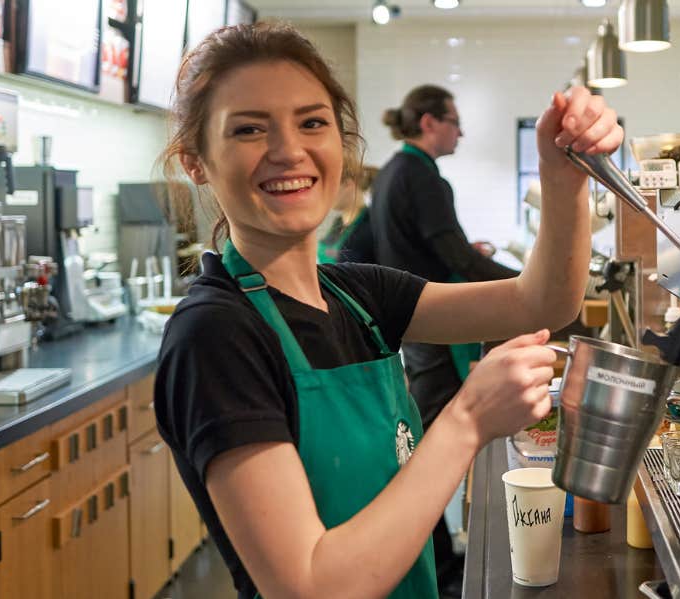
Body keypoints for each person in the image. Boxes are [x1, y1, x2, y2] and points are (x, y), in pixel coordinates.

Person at [153, 22, 622, 599]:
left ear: (340, 141)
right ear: (195, 161)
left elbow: (541, 300)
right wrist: (468, 420)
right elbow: (310, 585)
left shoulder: (357, 295)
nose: (288, 150)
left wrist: (563, 176)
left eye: (312, 122)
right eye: (249, 129)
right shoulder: (215, 335)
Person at [370, 86, 526, 592]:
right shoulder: (422, 176)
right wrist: (524, 287)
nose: (461, 131)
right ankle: (437, 565)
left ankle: (436, 555)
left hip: (412, 330)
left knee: (421, 441)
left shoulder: (395, 171)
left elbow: (438, 250)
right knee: (432, 446)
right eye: (455, 121)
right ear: (431, 122)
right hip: (429, 332)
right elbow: (457, 257)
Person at [316, 164, 377, 264]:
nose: (326, 194)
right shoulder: (338, 222)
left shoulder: (371, 225)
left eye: (331, 187)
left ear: (349, 185)